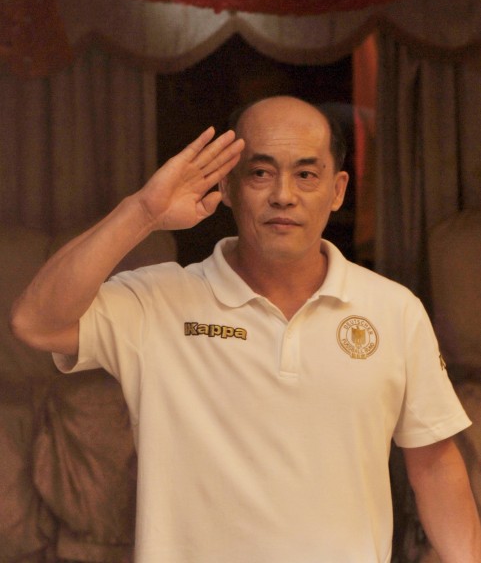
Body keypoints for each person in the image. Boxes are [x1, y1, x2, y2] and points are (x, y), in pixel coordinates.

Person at [10, 96, 481, 562]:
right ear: (228, 187)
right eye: (260, 173)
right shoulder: (157, 302)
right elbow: (36, 323)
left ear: (337, 190)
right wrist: (143, 213)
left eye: (306, 174)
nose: (283, 194)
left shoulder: (394, 310)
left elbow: (436, 467)